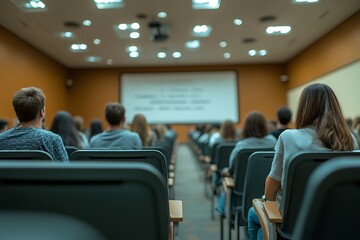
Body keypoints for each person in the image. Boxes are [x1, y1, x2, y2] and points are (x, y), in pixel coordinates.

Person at [247, 83, 359, 240]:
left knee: (254, 214)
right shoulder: (350, 139)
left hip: (293, 226)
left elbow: (271, 188)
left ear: (305, 108)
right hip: (339, 223)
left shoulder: (288, 137)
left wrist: (269, 205)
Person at [217, 111, 277, 214]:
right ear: (264, 126)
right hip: (269, 192)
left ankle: (222, 209)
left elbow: (232, 168)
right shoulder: (273, 142)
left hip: (242, 194)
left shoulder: (242, 146)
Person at [0, 87, 68, 161]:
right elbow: (65, 171)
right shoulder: (52, 140)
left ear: (17, 113)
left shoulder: (1, 139)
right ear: (42, 112)